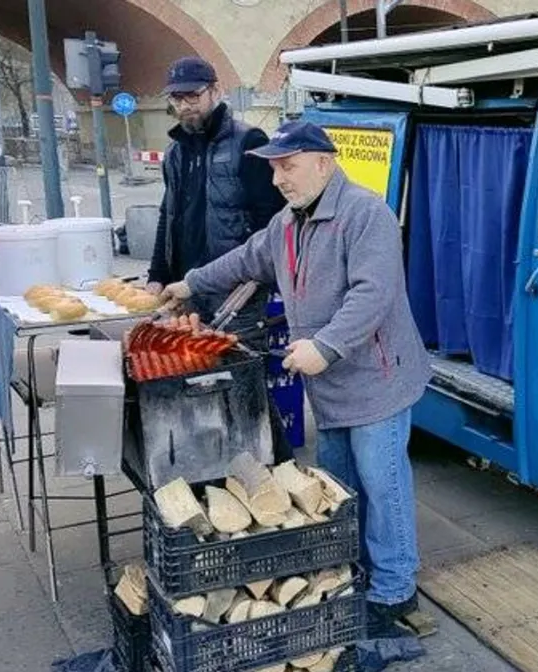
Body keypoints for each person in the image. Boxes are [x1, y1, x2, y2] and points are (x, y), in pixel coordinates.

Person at [159, 121, 433, 638]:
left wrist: (325, 346)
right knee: (339, 486)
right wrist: (188, 282)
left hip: (377, 378)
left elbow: (372, 294)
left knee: (384, 484)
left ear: (323, 162)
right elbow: (245, 260)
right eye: (274, 168)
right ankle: (354, 572)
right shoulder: (288, 222)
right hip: (329, 386)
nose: (278, 178)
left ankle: (396, 590)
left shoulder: (365, 214)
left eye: (288, 166)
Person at [145, 56, 285, 345]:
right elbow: (167, 216)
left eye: (194, 95)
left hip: (236, 292)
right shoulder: (174, 153)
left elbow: (270, 221)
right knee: (197, 373)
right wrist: (157, 274)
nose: (185, 105)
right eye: (176, 97)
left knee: (239, 368)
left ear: (215, 92)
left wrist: (253, 281)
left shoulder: (249, 141)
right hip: (186, 289)